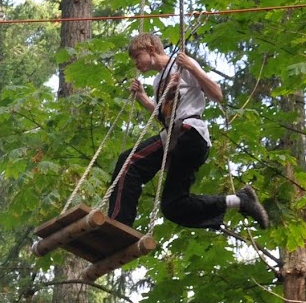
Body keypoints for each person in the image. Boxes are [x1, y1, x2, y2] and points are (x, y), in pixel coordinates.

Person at [107, 33, 268, 230]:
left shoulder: (182, 65)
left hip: (189, 133)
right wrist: (143, 98)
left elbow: (217, 95)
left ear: (151, 50)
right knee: (173, 206)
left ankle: (117, 227)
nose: (136, 63)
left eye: (137, 57)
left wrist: (192, 68)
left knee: (129, 162)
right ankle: (240, 201)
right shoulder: (158, 81)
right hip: (179, 139)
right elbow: (165, 117)